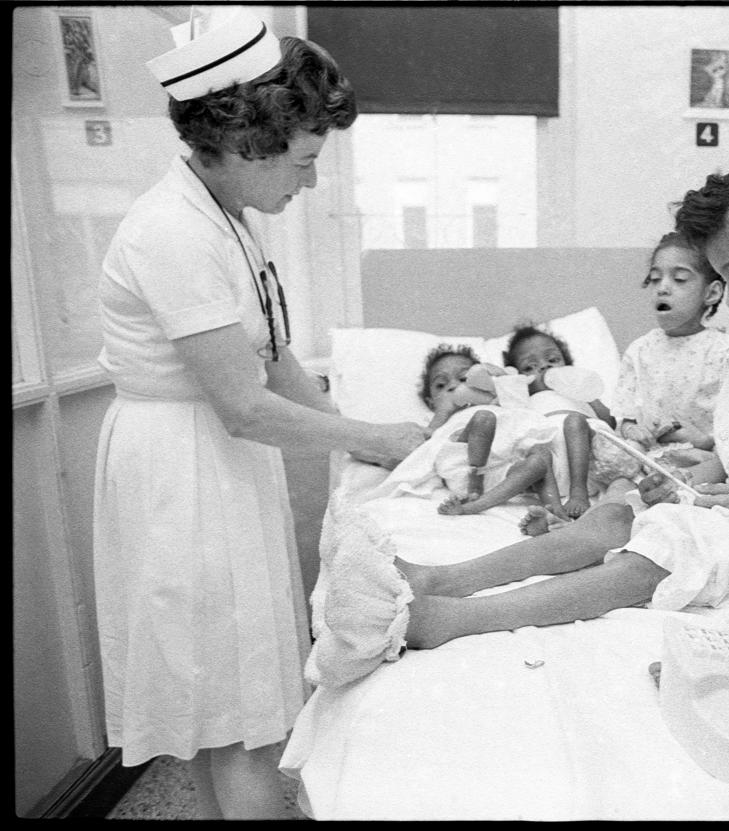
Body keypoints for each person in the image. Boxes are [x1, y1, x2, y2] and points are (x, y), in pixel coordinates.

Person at [323, 151, 729, 656]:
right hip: (725, 513)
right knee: (615, 511)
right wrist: (702, 471)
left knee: (663, 546)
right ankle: (440, 579)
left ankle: (460, 618)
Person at [92, 8, 424, 819]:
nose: (309, 182)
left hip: (214, 458)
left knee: (225, 703)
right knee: (236, 720)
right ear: (248, 142)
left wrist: (363, 451)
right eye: (305, 162)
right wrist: (371, 436)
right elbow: (243, 404)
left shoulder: (226, 216)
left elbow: (272, 356)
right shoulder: (172, 231)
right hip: (183, 466)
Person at [393, 343, 567, 520]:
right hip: (466, 466)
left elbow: (515, 410)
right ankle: (475, 480)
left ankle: (553, 511)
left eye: (463, 379)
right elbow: (429, 440)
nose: (454, 386)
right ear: (430, 402)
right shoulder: (438, 417)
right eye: (441, 385)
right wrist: (443, 411)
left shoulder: (492, 401)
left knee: (539, 457)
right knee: (483, 418)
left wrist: (496, 382)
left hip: (502, 472)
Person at [612, 231, 729, 457]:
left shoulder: (725, 352)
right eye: (655, 279)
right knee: (618, 471)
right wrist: (633, 430)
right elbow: (623, 414)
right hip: (647, 454)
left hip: (701, 455)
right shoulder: (639, 350)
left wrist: (704, 441)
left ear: (712, 293)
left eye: (679, 279)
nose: (662, 288)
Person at [502, 325, 640, 519]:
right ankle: (553, 511)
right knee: (533, 451)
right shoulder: (525, 400)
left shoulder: (579, 393)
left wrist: (589, 395)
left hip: (594, 460)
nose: (544, 367)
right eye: (529, 367)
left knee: (574, 421)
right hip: (556, 471)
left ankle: (579, 493)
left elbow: (608, 421)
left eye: (552, 360)